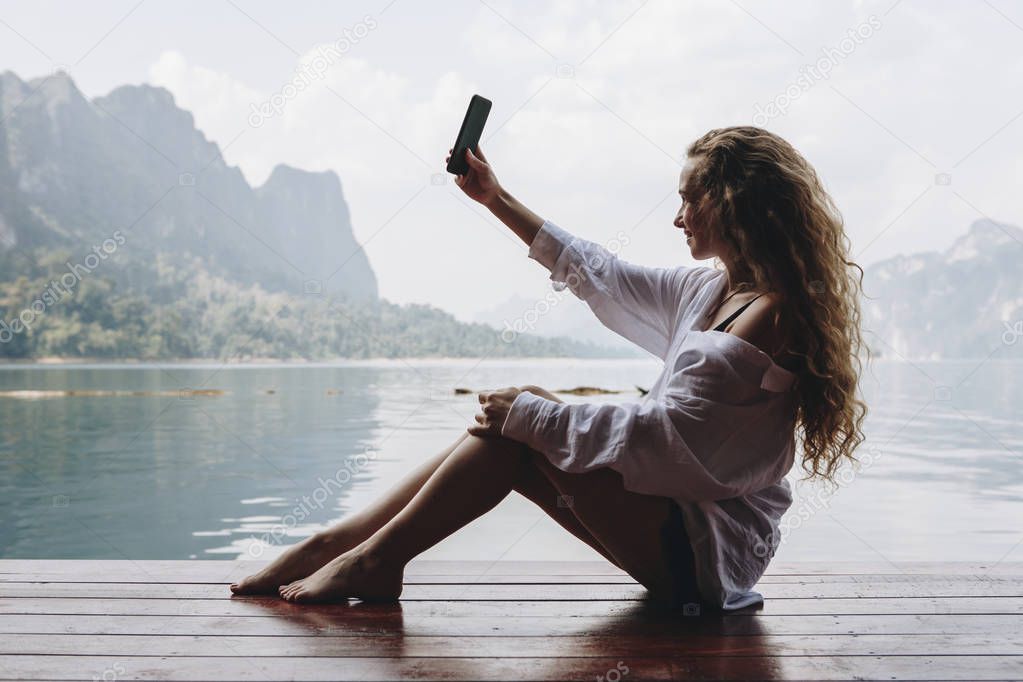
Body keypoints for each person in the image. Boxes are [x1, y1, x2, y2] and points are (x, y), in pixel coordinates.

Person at [231, 126, 868, 610]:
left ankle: (367, 558)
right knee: (521, 419)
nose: (677, 217)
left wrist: (537, 416)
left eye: (688, 200)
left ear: (732, 202)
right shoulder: (713, 290)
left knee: (521, 424)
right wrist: (494, 198)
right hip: (673, 523)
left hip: (705, 555)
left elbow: (677, 443)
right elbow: (601, 273)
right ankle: (346, 549)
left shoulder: (771, 315)